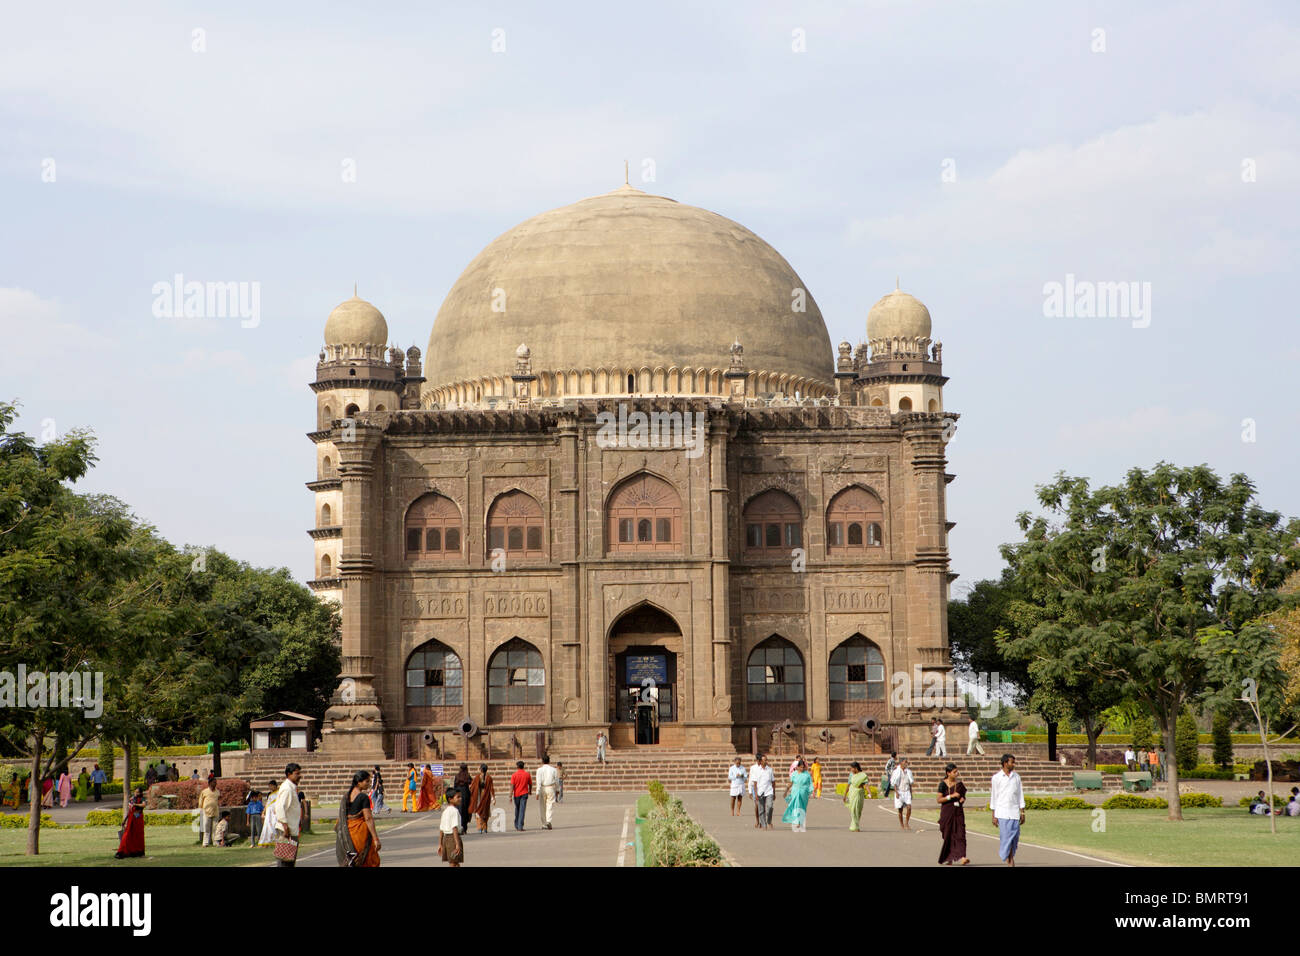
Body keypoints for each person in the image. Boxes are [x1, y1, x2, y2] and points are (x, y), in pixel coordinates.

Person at [336, 769, 381, 867]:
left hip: (347, 835)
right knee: (368, 861)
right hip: (360, 835)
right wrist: (375, 838)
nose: (368, 784)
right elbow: (368, 818)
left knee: (353, 862)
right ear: (359, 782)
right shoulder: (363, 797)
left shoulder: (346, 796)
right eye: (367, 781)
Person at [990, 753, 1025, 866]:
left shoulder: (1016, 777)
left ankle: (1009, 856)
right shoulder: (996, 778)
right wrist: (994, 815)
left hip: (1014, 812)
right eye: (1012, 762)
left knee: (1014, 838)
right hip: (1002, 813)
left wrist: (1022, 811)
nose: (1014, 764)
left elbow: (1020, 794)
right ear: (1005, 763)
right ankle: (1010, 859)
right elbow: (994, 796)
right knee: (1006, 838)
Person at [271, 763, 303, 866]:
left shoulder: (291, 787)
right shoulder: (287, 788)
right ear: (289, 774)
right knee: (285, 861)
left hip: (291, 829)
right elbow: (280, 808)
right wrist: (285, 827)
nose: (299, 776)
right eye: (297, 774)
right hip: (287, 831)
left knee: (289, 861)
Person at [937, 763, 969, 865]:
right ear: (948, 773)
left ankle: (963, 857)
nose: (957, 773)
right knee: (948, 835)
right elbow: (939, 800)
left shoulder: (959, 785)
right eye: (954, 772)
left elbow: (963, 797)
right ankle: (949, 858)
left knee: (960, 834)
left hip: (958, 812)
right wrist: (951, 796)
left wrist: (962, 799)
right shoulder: (942, 784)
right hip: (947, 813)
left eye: (957, 771)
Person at [114, 787, 146, 859]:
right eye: (135, 792)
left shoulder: (142, 799)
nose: (136, 793)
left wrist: (136, 805)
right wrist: (125, 820)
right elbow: (130, 811)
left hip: (138, 820)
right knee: (127, 835)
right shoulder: (132, 799)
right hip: (131, 819)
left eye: (137, 792)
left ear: (140, 793)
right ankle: (122, 851)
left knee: (138, 836)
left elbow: (143, 805)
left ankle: (138, 852)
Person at [783, 759, 813, 832]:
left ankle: (800, 821)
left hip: (804, 793)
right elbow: (791, 783)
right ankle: (797, 822)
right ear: (798, 767)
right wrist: (786, 791)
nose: (802, 769)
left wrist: (810, 792)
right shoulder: (794, 774)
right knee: (796, 805)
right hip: (795, 792)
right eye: (801, 767)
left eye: (803, 767)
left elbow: (810, 784)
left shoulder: (807, 774)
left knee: (802, 807)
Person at [439, 789, 465, 866]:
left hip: (446, 839)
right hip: (453, 839)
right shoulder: (454, 811)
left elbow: (441, 829)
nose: (460, 799)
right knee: (453, 862)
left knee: (455, 862)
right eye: (458, 797)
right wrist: (457, 844)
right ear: (450, 799)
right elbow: (454, 828)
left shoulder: (445, 811)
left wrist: (440, 844)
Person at [750, 754, 775, 830]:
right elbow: (755, 783)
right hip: (760, 792)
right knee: (761, 809)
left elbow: (773, 782)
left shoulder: (770, 770)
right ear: (760, 761)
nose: (766, 761)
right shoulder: (756, 770)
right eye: (765, 760)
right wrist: (755, 793)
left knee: (770, 806)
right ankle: (764, 825)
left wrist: (774, 793)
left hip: (769, 791)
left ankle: (769, 820)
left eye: (767, 760)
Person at [843, 762, 870, 831]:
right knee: (853, 809)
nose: (851, 770)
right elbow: (848, 785)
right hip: (852, 793)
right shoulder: (851, 775)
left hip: (859, 793)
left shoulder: (863, 775)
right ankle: (855, 827)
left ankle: (855, 825)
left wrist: (869, 793)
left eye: (852, 768)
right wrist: (845, 795)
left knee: (858, 810)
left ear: (856, 768)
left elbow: (866, 785)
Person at [469, 763, 495, 832]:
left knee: (478, 811)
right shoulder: (489, 778)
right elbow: (491, 788)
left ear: (480, 769)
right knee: (486, 811)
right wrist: (493, 798)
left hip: (479, 796)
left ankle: (480, 827)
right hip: (486, 796)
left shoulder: (477, 777)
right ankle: (485, 827)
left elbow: (472, 787)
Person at [536, 755, 559, 830]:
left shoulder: (539, 770)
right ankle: (548, 821)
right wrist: (557, 789)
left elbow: (538, 782)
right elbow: (556, 780)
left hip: (542, 788)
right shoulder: (553, 770)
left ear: (542, 761)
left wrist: (537, 792)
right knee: (550, 805)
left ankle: (544, 824)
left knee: (542, 806)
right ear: (549, 761)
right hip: (551, 788)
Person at [891, 757, 914, 829]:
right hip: (899, 791)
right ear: (901, 763)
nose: (906, 763)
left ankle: (907, 823)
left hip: (907, 791)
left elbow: (910, 783)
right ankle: (901, 824)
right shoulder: (896, 771)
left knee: (909, 807)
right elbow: (894, 783)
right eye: (905, 762)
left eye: (907, 762)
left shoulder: (908, 772)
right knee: (900, 809)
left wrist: (911, 793)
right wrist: (896, 792)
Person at [197, 776, 220, 847]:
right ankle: (205, 843)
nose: (215, 784)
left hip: (215, 812)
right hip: (206, 812)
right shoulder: (204, 792)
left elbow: (218, 800)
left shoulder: (217, 791)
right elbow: (200, 801)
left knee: (215, 828)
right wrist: (200, 809)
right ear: (209, 783)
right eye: (214, 782)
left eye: (216, 783)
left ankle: (215, 842)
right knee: (206, 829)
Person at [510, 760, 532, 831]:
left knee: (517, 809)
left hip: (516, 794)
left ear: (517, 767)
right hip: (524, 793)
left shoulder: (514, 775)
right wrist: (530, 791)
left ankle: (517, 824)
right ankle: (520, 826)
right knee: (522, 810)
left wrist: (510, 795)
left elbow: (512, 786)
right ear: (523, 766)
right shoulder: (527, 774)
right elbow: (530, 784)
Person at [452, 764, 473, 834]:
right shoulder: (467, 776)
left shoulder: (457, 776)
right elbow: (471, 783)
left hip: (459, 795)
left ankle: (459, 827)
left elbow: (454, 786)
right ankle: (464, 827)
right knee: (465, 811)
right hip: (466, 794)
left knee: (459, 811)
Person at [747, 754, 764, 827]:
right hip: (755, 787)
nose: (760, 762)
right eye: (759, 760)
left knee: (762, 805)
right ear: (757, 760)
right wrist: (750, 791)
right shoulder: (753, 768)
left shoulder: (765, 767)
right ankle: (757, 820)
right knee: (757, 805)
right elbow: (750, 779)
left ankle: (762, 821)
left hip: (763, 787)